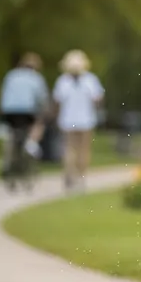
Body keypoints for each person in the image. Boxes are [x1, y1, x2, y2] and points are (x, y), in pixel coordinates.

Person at [53, 49, 105, 192]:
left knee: (70, 149)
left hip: (68, 120)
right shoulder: (90, 79)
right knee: (83, 150)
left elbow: (57, 101)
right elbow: (98, 99)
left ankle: (69, 175)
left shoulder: (63, 81)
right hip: (86, 120)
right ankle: (81, 177)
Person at [0, 52, 50, 172]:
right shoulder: (36, 78)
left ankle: (6, 161)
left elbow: (4, 93)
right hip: (27, 110)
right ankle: (31, 143)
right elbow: (42, 98)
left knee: (12, 133)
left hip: (9, 110)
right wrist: (45, 111)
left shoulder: (11, 75)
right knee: (39, 124)